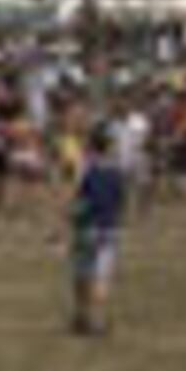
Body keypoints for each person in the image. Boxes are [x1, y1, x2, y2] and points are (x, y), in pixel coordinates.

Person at [65, 127, 129, 336]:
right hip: (110, 228)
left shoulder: (86, 170)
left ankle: (81, 316)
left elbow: (77, 199)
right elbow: (121, 202)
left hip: (87, 227)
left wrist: (69, 218)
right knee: (102, 277)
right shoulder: (117, 172)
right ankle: (98, 320)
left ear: (91, 147)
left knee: (82, 274)